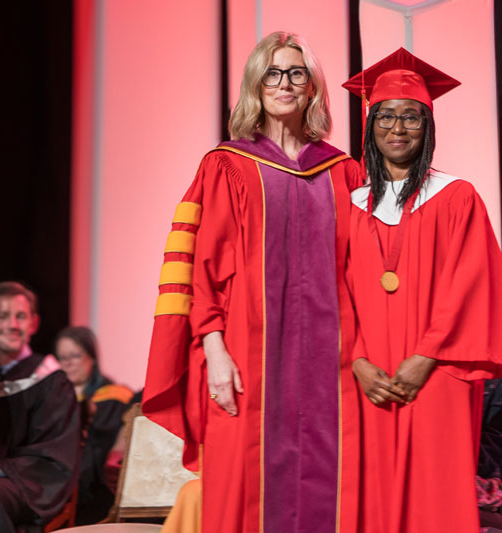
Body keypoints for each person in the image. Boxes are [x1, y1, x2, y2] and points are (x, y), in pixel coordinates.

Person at [142, 31, 361, 533]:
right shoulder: (228, 167)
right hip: (248, 358)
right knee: (245, 482)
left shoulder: (343, 173)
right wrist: (214, 350)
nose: (285, 83)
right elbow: (200, 270)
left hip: (332, 364)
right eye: (273, 73)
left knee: (331, 483)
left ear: (312, 89)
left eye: (297, 73)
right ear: (255, 85)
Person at [342, 48, 502, 533]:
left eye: (412, 118)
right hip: (367, 376)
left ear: (429, 127)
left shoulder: (457, 197)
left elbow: (472, 285)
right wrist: (356, 359)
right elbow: (335, 292)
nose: (398, 128)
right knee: (368, 494)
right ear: (371, 124)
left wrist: (426, 356)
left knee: (434, 496)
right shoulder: (349, 205)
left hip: (438, 371)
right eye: (387, 116)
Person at [0, 281, 80, 533]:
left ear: (34, 323)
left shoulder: (50, 381)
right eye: (2, 316)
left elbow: (51, 459)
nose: (12, 324)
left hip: (24, 489)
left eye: (20, 316)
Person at [55, 326, 133, 524]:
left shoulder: (113, 396)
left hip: (95, 486)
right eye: (62, 358)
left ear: (92, 358)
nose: (68, 364)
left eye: (75, 355)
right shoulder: (53, 400)